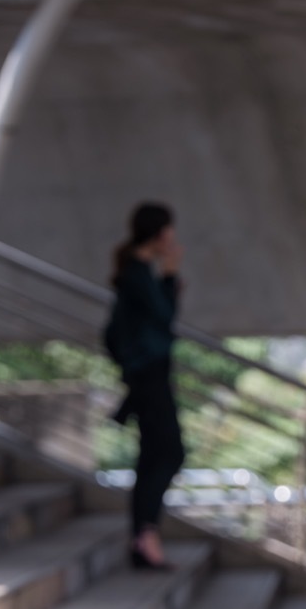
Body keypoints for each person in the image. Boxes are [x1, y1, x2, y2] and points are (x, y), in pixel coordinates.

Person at [105, 201, 186, 570]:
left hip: (149, 375)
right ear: (158, 232)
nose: (172, 236)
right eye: (168, 229)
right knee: (168, 453)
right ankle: (144, 535)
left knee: (154, 455)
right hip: (149, 377)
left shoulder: (135, 272)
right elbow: (165, 317)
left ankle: (143, 536)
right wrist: (170, 276)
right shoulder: (138, 274)